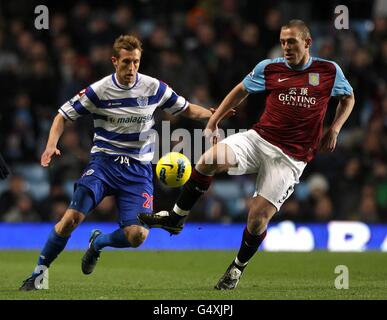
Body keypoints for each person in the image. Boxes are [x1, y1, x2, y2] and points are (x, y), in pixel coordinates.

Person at [138, 19, 355, 290]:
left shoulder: (328, 71)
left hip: (290, 158)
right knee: (208, 160)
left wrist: (334, 129)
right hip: (259, 138)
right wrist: (213, 121)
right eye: (283, 41)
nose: (286, 47)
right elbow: (240, 90)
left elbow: (348, 98)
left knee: (257, 219)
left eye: (292, 42)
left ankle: (237, 267)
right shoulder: (270, 68)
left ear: (307, 42)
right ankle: (176, 217)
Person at [19, 35, 215, 291]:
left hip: (138, 170)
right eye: (126, 62)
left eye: (136, 62)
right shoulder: (98, 91)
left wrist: (214, 114)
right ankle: (37, 275)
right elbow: (61, 116)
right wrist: (51, 145)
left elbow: (187, 108)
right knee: (71, 219)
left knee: (138, 236)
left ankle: (98, 243)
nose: (131, 69)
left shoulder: (153, 87)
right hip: (104, 164)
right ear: (114, 61)